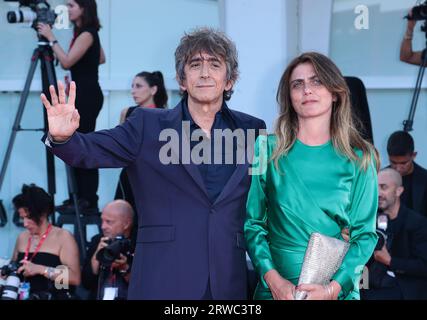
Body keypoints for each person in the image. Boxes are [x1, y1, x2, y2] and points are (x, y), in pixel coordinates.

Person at [40, 28, 266, 299]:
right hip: (162, 279)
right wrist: (63, 137)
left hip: (228, 282)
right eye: (195, 65)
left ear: (230, 80)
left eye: (215, 64)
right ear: (182, 80)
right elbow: (90, 151)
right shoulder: (147, 125)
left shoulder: (253, 130)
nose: (205, 73)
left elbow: (263, 202)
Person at [245, 52, 379, 300]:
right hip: (275, 291)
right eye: (298, 84)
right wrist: (273, 279)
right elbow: (253, 224)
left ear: (336, 92)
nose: (307, 90)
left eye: (317, 81)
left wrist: (332, 289)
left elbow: (365, 235)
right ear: (290, 97)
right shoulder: (265, 149)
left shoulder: (361, 157)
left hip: (335, 291)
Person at [37, 0, 105, 212]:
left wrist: (51, 37)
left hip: (86, 95)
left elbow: (66, 62)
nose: (67, 9)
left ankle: (87, 198)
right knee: (76, 141)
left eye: (72, 5)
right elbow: (101, 58)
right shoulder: (86, 33)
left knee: (81, 143)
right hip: (87, 92)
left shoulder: (86, 33)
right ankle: (79, 196)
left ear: (84, 8)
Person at [361, 168, 427, 300]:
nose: (378, 193)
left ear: (398, 191)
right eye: (376, 188)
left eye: (383, 187)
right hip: (373, 283)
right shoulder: (370, 221)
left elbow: (423, 266)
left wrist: (390, 261)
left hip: (404, 287)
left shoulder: (417, 223)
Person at [9, 184, 80, 299]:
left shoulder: (62, 237)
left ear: (43, 213)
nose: (25, 223)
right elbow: (13, 269)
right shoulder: (22, 237)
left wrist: (42, 270)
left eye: (29, 217)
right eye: (22, 218)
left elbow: (74, 278)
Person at [115, 71, 168, 218]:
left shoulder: (165, 115)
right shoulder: (127, 112)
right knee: (123, 215)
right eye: (132, 86)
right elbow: (119, 144)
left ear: (153, 89)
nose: (133, 91)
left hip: (154, 176)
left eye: (138, 86)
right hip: (130, 172)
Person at [82, 200, 134, 300]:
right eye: (102, 221)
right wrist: (97, 256)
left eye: (109, 222)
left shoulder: (138, 244)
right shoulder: (98, 241)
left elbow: (144, 285)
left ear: (126, 224)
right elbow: (86, 284)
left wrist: (124, 268)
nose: (103, 226)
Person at [387, 131, 427, 217]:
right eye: (393, 162)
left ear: (413, 155)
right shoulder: (378, 179)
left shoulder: (424, 179)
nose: (398, 168)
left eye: (403, 163)